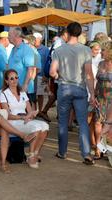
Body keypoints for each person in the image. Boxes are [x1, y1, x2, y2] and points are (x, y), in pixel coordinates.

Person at [50, 22, 96, 165]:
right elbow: (89, 75)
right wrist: (92, 94)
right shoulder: (86, 50)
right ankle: (86, 153)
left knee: (63, 122)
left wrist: (60, 77)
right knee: (82, 122)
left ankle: (62, 152)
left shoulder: (59, 50)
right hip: (80, 89)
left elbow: (52, 72)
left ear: (67, 33)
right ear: (80, 33)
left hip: (64, 88)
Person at [0, 69, 49, 169]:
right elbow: (8, 115)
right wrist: (23, 117)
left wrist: (32, 114)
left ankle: (35, 153)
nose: (14, 80)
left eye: (16, 78)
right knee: (36, 128)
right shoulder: (3, 94)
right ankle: (31, 156)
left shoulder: (22, 92)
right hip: (13, 122)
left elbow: (29, 110)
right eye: (11, 78)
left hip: (25, 120)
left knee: (45, 126)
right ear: (6, 81)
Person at [94, 41, 112, 159]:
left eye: (103, 50)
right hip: (100, 98)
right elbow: (97, 81)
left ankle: (108, 149)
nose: (101, 52)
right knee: (97, 122)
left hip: (111, 99)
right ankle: (98, 149)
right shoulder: (100, 64)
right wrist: (94, 95)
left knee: (109, 125)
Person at [8, 27, 36, 95]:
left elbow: (30, 69)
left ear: (16, 35)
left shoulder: (26, 49)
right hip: (14, 87)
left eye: (9, 35)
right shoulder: (13, 49)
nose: (8, 37)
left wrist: (25, 85)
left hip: (23, 89)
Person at [87, 41, 102, 159]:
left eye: (99, 50)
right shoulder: (86, 60)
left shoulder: (99, 62)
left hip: (96, 95)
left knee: (96, 122)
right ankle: (93, 145)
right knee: (89, 121)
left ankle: (97, 146)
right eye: (96, 49)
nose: (98, 52)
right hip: (88, 95)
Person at [33, 32, 50, 111]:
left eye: (35, 39)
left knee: (40, 94)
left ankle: (40, 110)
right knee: (32, 94)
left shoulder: (45, 49)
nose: (33, 40)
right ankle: (34, 110)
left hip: (41, 75)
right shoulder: (30, 48)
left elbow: (48, 63)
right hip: (32, 75)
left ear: (40, 39)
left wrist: (46, 75)